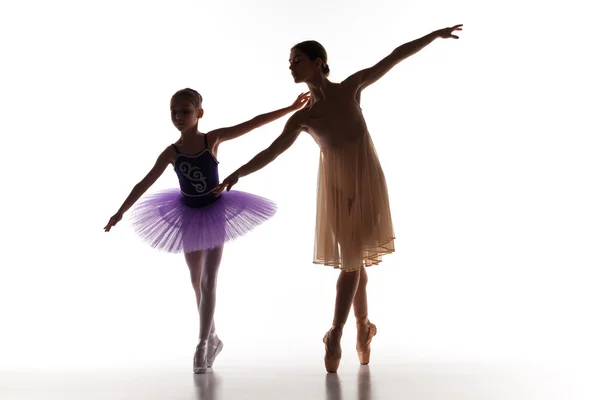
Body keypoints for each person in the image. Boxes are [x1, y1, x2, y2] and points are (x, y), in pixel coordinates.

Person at [214, 25, 463, 373]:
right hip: (338, 190)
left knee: (356, 261)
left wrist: (434, 35)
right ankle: (339, 332)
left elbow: (395, 56)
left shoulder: (351, 88)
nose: (290, 66)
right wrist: (237, 173)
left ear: (317, 63)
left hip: (367, 183)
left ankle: (361, 330)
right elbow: (272, 150)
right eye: (289, 62)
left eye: (296, 60)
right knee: (352, 263)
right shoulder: (304, 117)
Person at [104, 88, 310, 373]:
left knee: (209, 280)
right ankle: (212, 336)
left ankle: (202, 343)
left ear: (199, 113)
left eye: (185, 111)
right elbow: (144, 182)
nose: (178, 116)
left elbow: (252, 123)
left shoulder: (211, 140)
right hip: (187, 216)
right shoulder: (171, 152)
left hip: (214, 214)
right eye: (174, 111)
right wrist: (121, 211)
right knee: (195, 280)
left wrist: (289, 109)